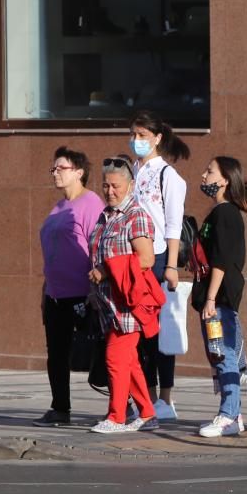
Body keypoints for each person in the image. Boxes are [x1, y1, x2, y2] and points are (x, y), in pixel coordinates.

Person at [87, 156, 160, 434]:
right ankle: (147, 411)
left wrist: (106, 270)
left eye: (116, 186)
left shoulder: (136, 215)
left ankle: (117, 416)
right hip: (108, 304)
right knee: (128, 362)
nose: (110, 191)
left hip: (128, 304)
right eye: (106, 185)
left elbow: (146, 258)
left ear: (130, 186)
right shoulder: (105, 215)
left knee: (115, 359)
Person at [34, 147, 105, 427]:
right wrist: (44, 291)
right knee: (57, 354)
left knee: (101, 352)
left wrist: (93, 290)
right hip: (55, 293)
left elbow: (98, 249)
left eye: (60, 168)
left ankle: (122, 405)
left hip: (81, 293)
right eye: (53, 169)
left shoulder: (91, 204)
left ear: (79, 172)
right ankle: (60, 408)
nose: (55, 173)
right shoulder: (59, 206)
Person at [128, 109, 190, 421]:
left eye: (142, 135)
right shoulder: (132, 173)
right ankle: (145, 397)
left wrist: (172, 267)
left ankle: (165, 398)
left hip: (160, 258)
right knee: (136, 331)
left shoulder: (167, 175)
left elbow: (173, 224)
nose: (136, 141)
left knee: (159, 331)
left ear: (157, 138)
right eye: (134, 135)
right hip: (131, 259)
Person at [192, 156, 247, 438]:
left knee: (225, 356)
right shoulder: (217, 213)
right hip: (214, 298)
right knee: (219, 356)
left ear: (225, 179)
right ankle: (233, 414)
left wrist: (211, 300)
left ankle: (228, 416)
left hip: (221, 299)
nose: (204, 175)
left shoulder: (226, 213)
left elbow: (222, 260)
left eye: (210, 171)